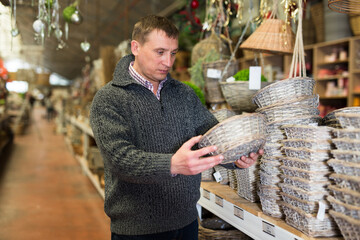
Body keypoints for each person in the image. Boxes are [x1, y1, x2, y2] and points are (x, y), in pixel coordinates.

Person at [89, 15, 263, 240]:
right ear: (136, 47)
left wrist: (236, 157)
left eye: (173, 53)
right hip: (137, 231)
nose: (168, 62)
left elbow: (211, 139)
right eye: (160, 52)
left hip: (187, 223)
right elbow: (120, 160)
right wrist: (172, 164)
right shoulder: (108, 99)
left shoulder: (184, 94)